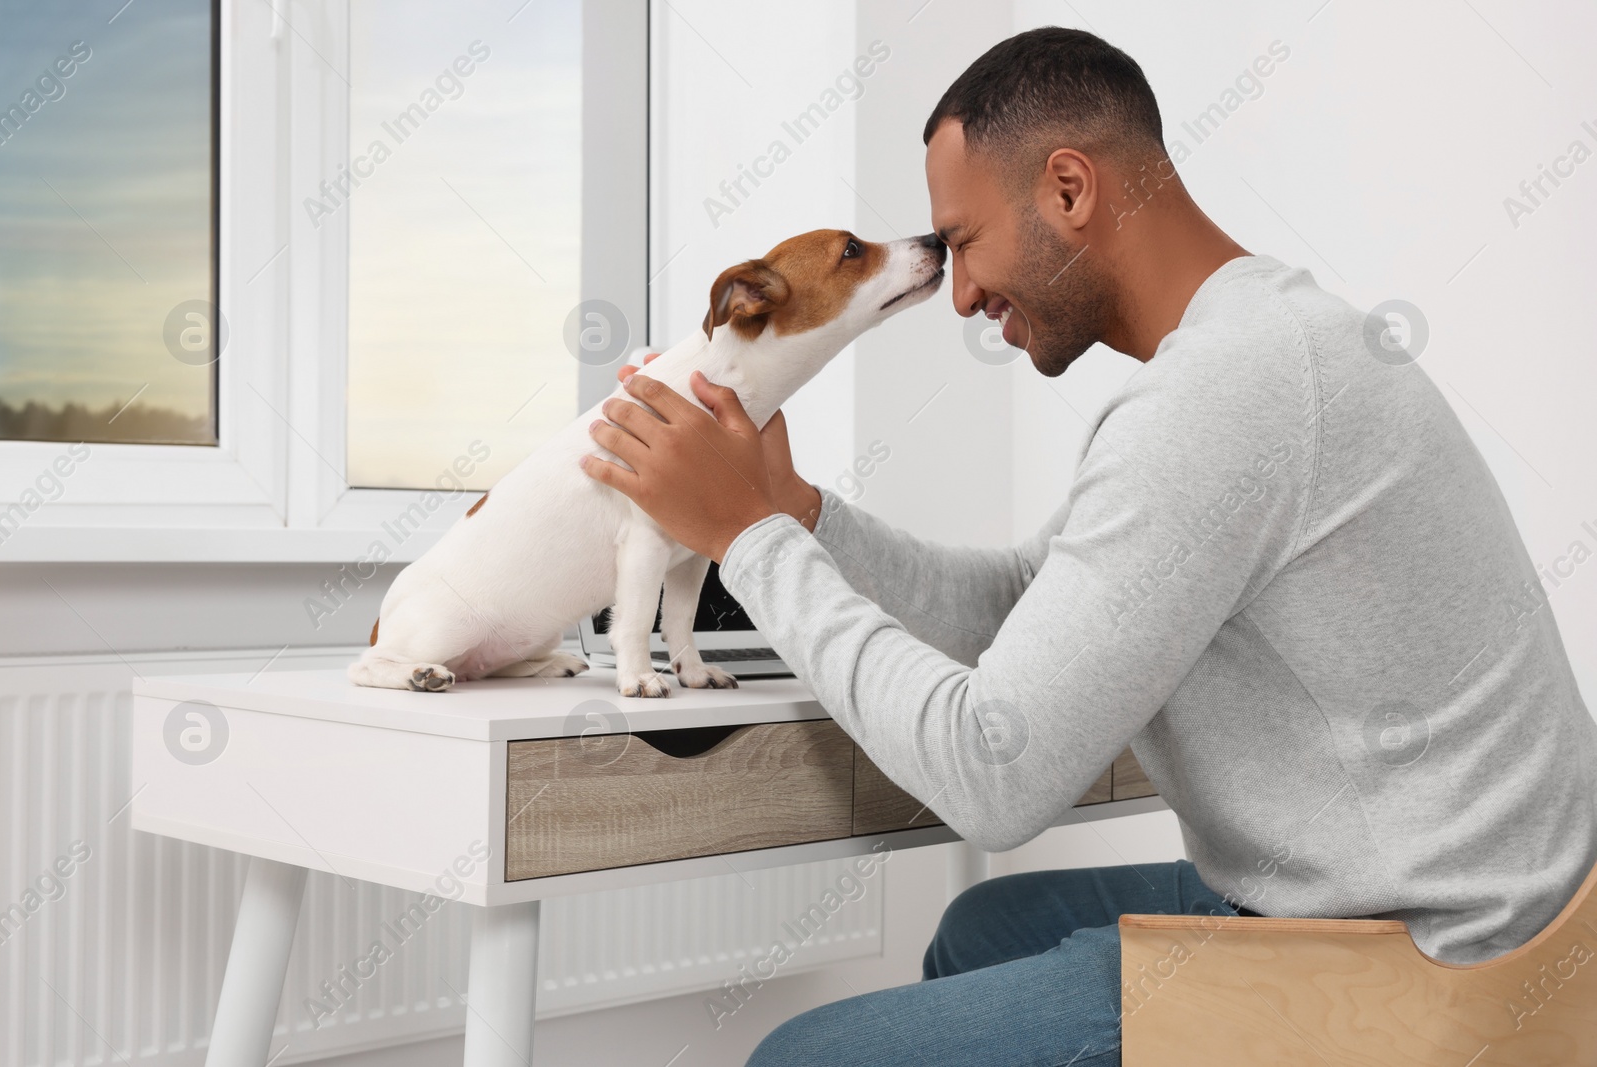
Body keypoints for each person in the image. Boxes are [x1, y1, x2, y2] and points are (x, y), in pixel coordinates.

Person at [581, 26, 1597, 1066]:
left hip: (1435, 976)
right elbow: (1025, 598)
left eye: (965, 239)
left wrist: (743, 540)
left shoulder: (1222, 394)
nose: (962, 293)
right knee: (980, 930)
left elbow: (993, 774)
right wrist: (797, 513)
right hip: (1480, 913)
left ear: (1069, 189)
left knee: (799, 1057)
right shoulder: (1256, 342)